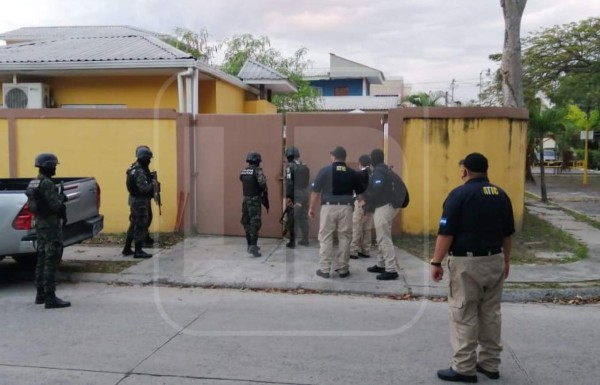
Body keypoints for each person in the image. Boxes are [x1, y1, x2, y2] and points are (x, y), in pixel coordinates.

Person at [430, 152, 514, 383]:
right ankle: (489, 364)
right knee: (491, 313)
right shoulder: (501, 195)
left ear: (465, 171)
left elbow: (445, 234)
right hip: (495, 260)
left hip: (467, 264)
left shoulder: (459, 195)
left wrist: (436, 262)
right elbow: (508, 234)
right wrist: (506, 261)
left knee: (463, 312)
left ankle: (464, 368)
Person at [308, 146, 365, 278]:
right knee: (345, 237)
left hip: (329, 207)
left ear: (333, 156)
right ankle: (343, 269)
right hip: (347, 208)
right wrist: (363, 208)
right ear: (344, 158)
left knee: (326, 237)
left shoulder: (325, 171)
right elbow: (361, 195)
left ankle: (324, 269)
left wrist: (311, 208)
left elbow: (315, 192)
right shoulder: (353, 173)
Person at [29, 153, 71, 309]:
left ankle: (40, 293)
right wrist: (62, 198)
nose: (55, 169)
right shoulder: (47, 183)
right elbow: (55, 205)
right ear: (47, 167)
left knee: (41, 257)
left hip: (40, 224)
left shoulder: (34, 182)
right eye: (53, 166)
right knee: (51, 259)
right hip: (50, 225)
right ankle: (50, 297)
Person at [363, 149, 403, 280]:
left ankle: (391, 269)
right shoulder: (386, 170)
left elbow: (377, 189)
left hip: (384, 207)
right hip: (389, 206)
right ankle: (381, 264)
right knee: (382, 236)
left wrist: (366, 200)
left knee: (383, 238)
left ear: (373, 160)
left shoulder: (379, 172)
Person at [122, 146, 155, 259]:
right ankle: (138, 250)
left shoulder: (134, 168)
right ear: (144, 158)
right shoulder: (140, 171)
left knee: (133, 224)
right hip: (140, 201)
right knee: (141, 225)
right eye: (148, 159)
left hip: (134, 199)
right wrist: (153, 184)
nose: (150, 161)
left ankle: (127, 248)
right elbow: (144, 188)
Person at [240, 152, 269, 257]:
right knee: (255, 222)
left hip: (245, 200)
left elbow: (242, 179)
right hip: (255, 200)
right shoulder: (258, 171)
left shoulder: (244, 171)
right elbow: (262, 184)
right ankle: (253, 246)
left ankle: (249, 244)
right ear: (258, 161)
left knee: (246, 221)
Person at [284, 146, 310, 248]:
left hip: (296, 194)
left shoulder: (290, 166)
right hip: (304, 194)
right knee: (303, 217)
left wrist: (289, 196)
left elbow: (289, 183)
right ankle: (305, 239)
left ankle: (292, 241)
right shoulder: (305, 166)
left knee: (292, 218)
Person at [350, 154, 373, 260]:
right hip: (371, 204)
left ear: (360, 163)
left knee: (357, 227)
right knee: (367, 228)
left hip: (360, 202)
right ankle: (366, 250)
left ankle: (353, 250)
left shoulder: (359, 174)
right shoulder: (372, 173)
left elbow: (356, 189)